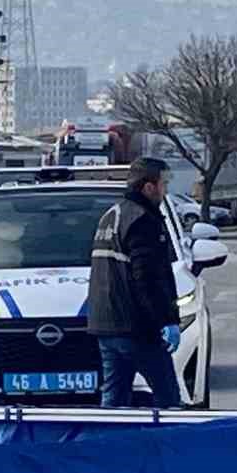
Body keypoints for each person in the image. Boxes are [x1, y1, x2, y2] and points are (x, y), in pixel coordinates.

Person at [87, 156, 183, 409]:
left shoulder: (112, 215)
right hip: (136, 327)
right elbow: (148, 278)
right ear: (149, 186)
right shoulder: (142, 220)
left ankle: (108, 445)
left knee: (114, 401)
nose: (166, 190)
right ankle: (170, 446)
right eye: (164, 184)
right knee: (168, 399)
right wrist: (165, 320)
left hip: (106, 324)